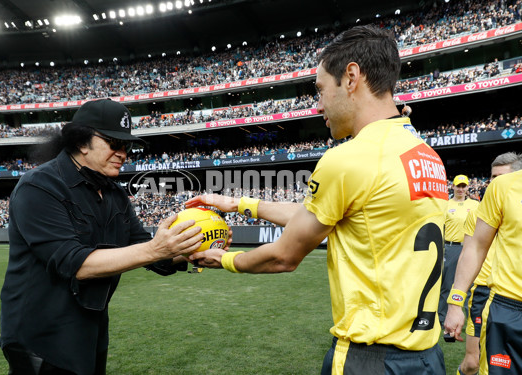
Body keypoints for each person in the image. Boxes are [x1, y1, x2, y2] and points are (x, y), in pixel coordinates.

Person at [187, 25, 448, 374]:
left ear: (351, 77)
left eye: (321, 89)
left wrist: (225, 260)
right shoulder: (426, 154)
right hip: (428, 356)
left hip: (371, 357)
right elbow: (328, 215)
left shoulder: (349, 158)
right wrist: (238, 205)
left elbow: (284, 257)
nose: (317, 103)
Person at [0, 99, 204, 375]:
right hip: (40, 335)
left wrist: (193, 250)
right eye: (113, 143)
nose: (123, 153)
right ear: (82, 142)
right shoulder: (39, 186)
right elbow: (76, 264)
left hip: (90, 328)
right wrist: (157, 249)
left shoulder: (115, 194)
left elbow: (144, 248)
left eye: (126, 145)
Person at [444, 167, 522, 375]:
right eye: (494, 176)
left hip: (495, 298)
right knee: (472, 362)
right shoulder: (503, 189)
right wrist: (456, 301)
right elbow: (475, 247)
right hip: (504, 303)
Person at [439, 174, 479, 326]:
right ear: (453, 187)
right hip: (450, 248)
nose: (461, 189)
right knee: (447, 285)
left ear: (468, 187)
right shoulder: (446, 204)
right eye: (458, 186)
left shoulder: (475, 205)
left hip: (469, 248)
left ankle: (469, 319)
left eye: (464, 186)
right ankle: (442, 317)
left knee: (468, 285)